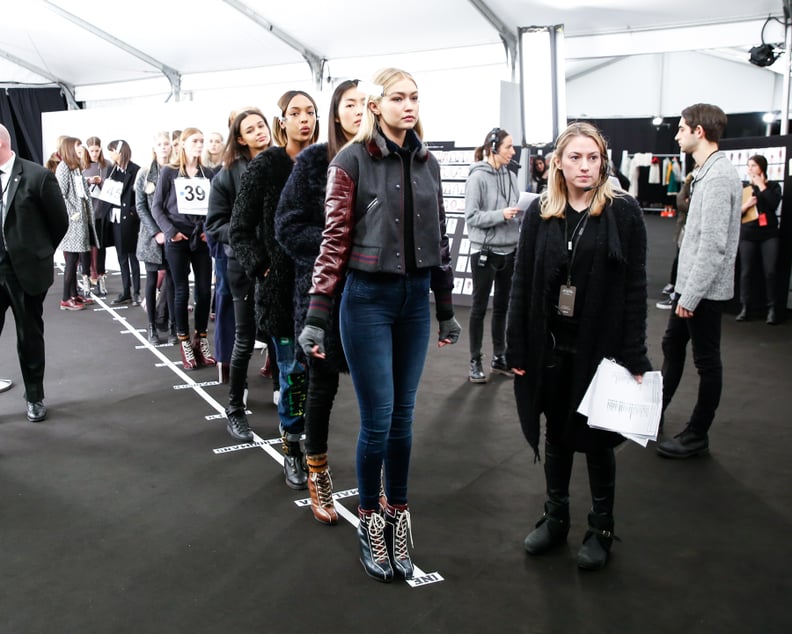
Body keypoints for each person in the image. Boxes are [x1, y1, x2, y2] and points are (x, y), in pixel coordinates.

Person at [299, 68, 461, 582]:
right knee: (379, 419)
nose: (408, 105)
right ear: (376, 106)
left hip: (414, 300)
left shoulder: (427, 162)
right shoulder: (350, 161)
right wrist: (317, 316)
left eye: (414, 96)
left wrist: (444, 307)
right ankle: (370, 518)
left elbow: (437, 241)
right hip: (365, 300)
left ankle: (398, 517)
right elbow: (333, 241)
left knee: (404, 420)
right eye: (397, 97)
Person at [505, 121, 651, 571]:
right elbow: (523, 281)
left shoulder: (622, 212)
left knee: (598, 438)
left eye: (592, 157)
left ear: (602, 160)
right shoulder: (541, 211)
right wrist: (517, 348)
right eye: (575, 158)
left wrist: (634, 354)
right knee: (556, 434)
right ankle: (556, 517)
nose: (585, 166)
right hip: (550, 347)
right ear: (557, 163)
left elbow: (634, 288)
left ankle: (601, 526)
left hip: (600, 349)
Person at [276, 79, 366, 524]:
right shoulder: (315, 160)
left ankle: (375, 480)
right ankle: (314, 469)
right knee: (316, 386)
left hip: (373, 296)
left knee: (377, 394)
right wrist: (338, 248)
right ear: (336, 113)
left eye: (366, 104)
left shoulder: (384, 159)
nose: (359, 111)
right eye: (350, 104)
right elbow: (287, 225)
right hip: (322, 296)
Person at [230, 90, 319, 489]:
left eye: (311, 112)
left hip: (321, 291)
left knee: (319, 378)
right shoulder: (265, 165)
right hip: (281, 291)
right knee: (292, 374)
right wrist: (262, 267)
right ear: (281, 120)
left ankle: (314, 447)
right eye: (295, 113)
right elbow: (239, 229)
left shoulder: (327, 161)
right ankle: (294, 449)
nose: (305, 119)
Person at [656, 103, 742, 459]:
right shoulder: (706, 172)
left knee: (706, 361)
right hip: (689, 287)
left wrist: (689, 296)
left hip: (702, 290)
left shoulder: (720, 177)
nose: (676, 135)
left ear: (698, 131)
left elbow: (713, 246)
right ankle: (653, 411)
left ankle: (697, 433)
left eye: (680, 128)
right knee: (672, 345)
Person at [205, 108, 272, 440]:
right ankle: (234, 409)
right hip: (243, 267)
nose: (260, 131)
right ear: (240, 138)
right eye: (251, 128)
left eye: (262, 125)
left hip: (280, 269)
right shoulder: (227, 174)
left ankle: (289, 405)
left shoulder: (285, 164)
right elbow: (214, 225)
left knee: (282, 338)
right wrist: (248, 233)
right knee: (244, 338)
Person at [0, 123, 68, 421]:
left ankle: (34, 396)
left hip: (25, 271)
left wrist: (38, 253)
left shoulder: (38, 177)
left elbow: (59, 223)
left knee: (28, 335)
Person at [152, 127, 217, 370]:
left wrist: (207, 230)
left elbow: (215, 207)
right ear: (183, 145)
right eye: (195, 141)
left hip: (199, 238)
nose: (200, 145)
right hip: (177, 239)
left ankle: (201, 338)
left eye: (202, 140)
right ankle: (183, 340)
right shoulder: (169, 173)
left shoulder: (208, 173)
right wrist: (170, 232)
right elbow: (157, 207)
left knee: (203, 291)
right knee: (180, 290)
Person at [464, 127, 520, 383]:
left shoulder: (510, 175)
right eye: (509, 147)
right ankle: (475, 360)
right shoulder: (477, 177)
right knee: (478, 309)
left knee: (502, 308)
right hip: (485, 252)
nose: (513, 151)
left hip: (510, 250)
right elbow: (472, 217)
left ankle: (500, 357)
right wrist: (501, 215)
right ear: (494, 147)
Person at [134, 131, 176, 344]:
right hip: (151, 238)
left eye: (166, 144)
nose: (163, 147)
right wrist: (155, 232)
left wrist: (169, 231)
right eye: (159, 144)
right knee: (151, 282)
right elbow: (140, 206)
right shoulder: (144, 173)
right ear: (154, 147)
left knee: (172, 281)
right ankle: (151, 327)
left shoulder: (176, 171)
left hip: (172, 234)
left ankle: (173, 327)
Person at [736, 154, 782, 324]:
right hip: (748, 233)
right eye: (749, 166)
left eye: (753, 165)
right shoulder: (744, 188)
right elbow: (736, 212)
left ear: (762, 167)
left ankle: (771, 308)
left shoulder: (774, 186)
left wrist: (762, 186)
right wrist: (747, 205)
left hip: (769, 233)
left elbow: (774, 204)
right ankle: (745, 307)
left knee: (770, 271)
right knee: (746, 271)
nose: (750, 169)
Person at [55, 136, 98, 311]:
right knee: (72, 260)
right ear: (70, 148)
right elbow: (61, 194)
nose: (81, 148)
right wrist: (72, 213)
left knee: (76, 258)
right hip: (73, 221)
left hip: (80, 219)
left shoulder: (75, 168)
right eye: (78, 145)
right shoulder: (63, 168)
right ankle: (66, 298)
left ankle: (74, 294)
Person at [100, 140, 141, 306]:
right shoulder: (112, 170)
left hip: (129, 220)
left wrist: (132, 212)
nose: (110, 155)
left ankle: (137, 291)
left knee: (133, 257)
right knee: (121, 256)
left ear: (119, 152)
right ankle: (126, 291)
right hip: (114, 218)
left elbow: (139, 197)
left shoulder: (135, 170)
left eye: (111, 151)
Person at [656, 171, 693, 309]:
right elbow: (680, 201)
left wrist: (691, 204)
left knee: (685, 261)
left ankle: (679, 295)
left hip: (692, 229)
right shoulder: (691, 180)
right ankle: (675, 289)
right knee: (680, 258)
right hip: (685, 227)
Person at [82, 136, 112, 296]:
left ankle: (101, 277)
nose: (94, 153)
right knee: (85, 248)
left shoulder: (107, 165)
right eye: (91, 150)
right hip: (86, 213)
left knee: (100, 247)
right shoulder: (82, 165)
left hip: (101, 212)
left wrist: (101, 182)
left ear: (100, 149)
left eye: (96, 150)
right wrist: (87, 182)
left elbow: (113, 187)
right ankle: (86, 278)